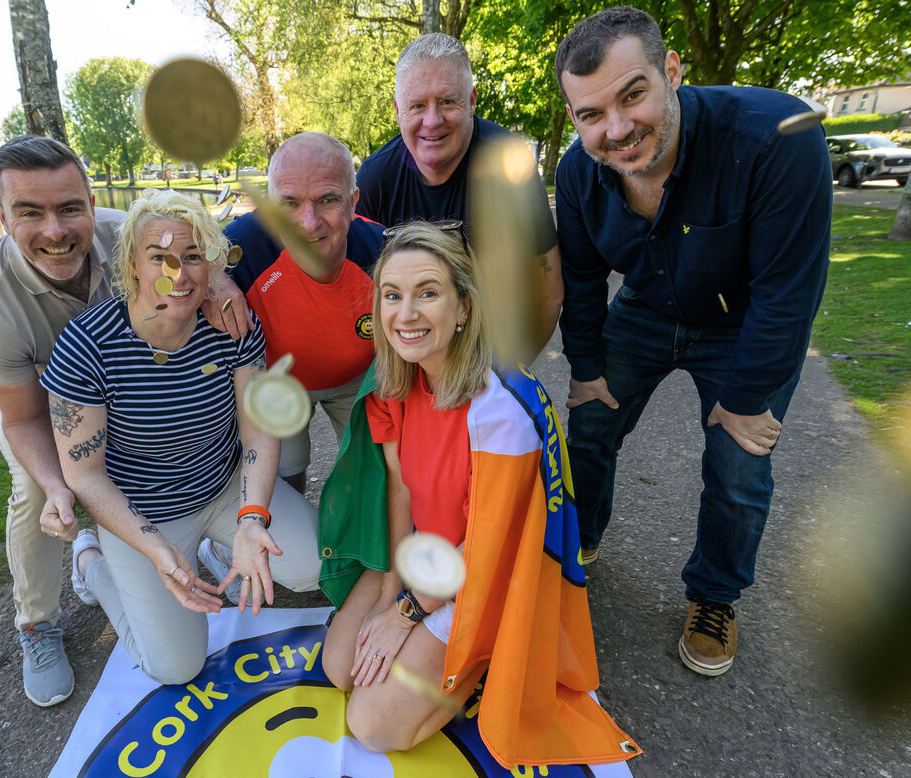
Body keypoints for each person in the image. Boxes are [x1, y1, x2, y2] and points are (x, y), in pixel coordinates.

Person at [553, 7, 832, 677]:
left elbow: (787, 293)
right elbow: (583, 282)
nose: (616, 129)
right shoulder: (577, 172)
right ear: (574, 118)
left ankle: (714, 596)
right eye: (591, 115)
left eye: (633, 95)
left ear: (671, 71)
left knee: (739, 464)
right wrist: (586, 368)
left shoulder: (777, 137)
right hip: (646, 308)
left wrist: (745, 399)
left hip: (745, 322)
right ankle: (577, 541)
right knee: (589, 424)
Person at [317, 222, 638, 768]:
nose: (406, 314)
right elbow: (400, 490)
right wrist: (392, 589)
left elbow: (489, 549)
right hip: (430, 559)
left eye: (427, 293)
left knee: (372, 724)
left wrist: (405, 614)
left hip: (486, 577)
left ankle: (487, 657)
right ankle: (434, 653)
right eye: (392, 295)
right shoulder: (400, 376)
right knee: (339, 667)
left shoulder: (499, 409)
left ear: (464, 306)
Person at [0, 136, 252, 707]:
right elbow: (21, 418)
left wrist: (218, 281)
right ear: (1, 215)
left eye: (69, 208)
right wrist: (57, 487)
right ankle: (42, 618)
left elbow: (195, 250)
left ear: (92, 204)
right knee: (39, 496)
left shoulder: (129, 232)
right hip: (40, 406)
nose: (55, 230)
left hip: (122, 395)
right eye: (29, 212)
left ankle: (191, 534)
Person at [39, 190, 321, 685]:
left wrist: (252, 518)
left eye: (193, 256)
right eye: (159, 257)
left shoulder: (232, 326)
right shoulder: (86, 347)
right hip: (143, 513)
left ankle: (222, 545)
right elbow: (84, 475)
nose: (180, 274)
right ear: (132, 264)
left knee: (316, 567)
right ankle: (92, 564)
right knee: (175, 668)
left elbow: (258, 428)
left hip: (223, 488)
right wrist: (154, 547)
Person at [356, 33, 563, 348]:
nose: (432, 121)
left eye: (447, 101)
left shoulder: (509, 166)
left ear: (472, 101)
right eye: (417, 105)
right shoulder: (375, 179)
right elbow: (359, 290)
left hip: (491, 348)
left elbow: (547, 289)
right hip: (409, 352)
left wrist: (512, 368)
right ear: (397, 110)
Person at [221, 133, 384, 495]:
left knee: (374, 471)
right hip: (278, 376)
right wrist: (215, 280)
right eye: (290, 203)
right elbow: (184, 267)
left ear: (353, 202)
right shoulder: (240, 244)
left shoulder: (383, 251)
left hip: (357, 378)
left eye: (328, 199)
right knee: (282, 473)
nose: (309, 223)